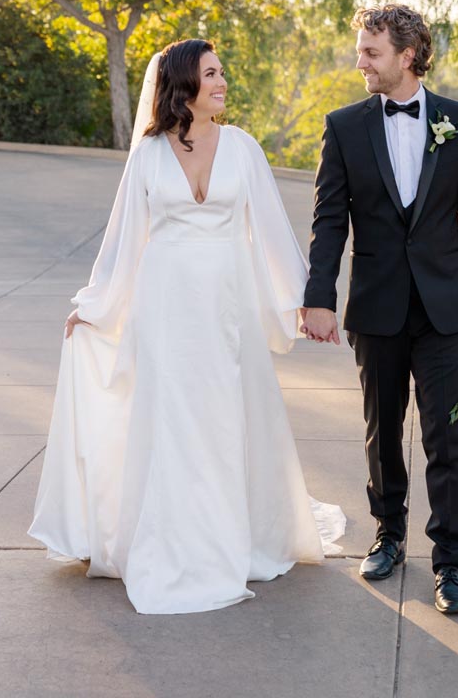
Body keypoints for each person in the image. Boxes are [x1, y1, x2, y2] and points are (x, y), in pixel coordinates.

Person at [29, 39, 344, 615]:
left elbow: (272, 229)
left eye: (222, 72)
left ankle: (234, 535)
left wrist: (308, 303)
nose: (222, 83)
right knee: (172, 420)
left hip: (229, 308)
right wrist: (95, 305)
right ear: (182, 85)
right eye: (211, 73)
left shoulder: (243, 147)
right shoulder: (148, 154)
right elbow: (125, 239)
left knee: (226, 415)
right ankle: (174, 541)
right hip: (164, 308)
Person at [300, 5, 458, 615]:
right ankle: (388, 535)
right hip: (377, 306)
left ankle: (450, 562)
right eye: (361, 50)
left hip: (444, 309)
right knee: (383, 432)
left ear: (409, 55)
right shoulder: (343, 126)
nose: (361, 62)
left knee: (447, 439)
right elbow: (328, 220)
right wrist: (318, 297)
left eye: (371, 52)